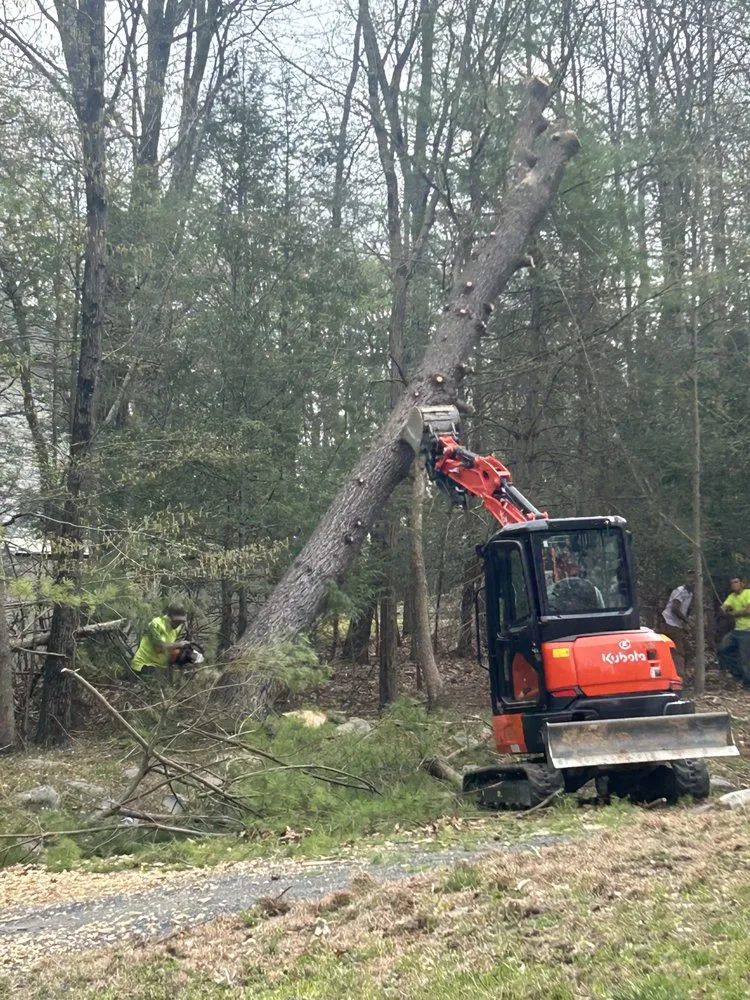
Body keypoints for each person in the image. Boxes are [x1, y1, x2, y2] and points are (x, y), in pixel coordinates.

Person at [131, 604, 189, 678]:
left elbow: (169, 646)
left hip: (160, 667)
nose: (178, 624)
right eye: (176, 621)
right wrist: (179, 645)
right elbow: (159, 648)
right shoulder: (156, 624)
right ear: (169, 616)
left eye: (181, 621)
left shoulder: (177, 628)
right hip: (144, 666)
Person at [660, 572, 695, 676]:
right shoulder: (680, 591)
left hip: (677, 624)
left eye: (694, 580)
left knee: (689, 651)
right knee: (679, 652)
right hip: (669, 623)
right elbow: (675, 609)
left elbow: (685, 610)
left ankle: (685, 674)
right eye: (690, 579)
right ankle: (679, 677)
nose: (691, 582)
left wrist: (684, 625)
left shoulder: (691, 593)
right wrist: (687, 622)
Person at [718, 577, 750, 684]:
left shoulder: (748, 593)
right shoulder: (731, 597)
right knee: (722, 649)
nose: (733, 585)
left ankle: (747, 683)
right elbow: (723, 608)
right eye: (731, 583)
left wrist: (731, 614)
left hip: (747, 630)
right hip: (736, 630)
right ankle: (738, 674)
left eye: (736, 582)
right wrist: (723, 609)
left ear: (742, 583)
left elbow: (748, 611)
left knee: (744, 659)